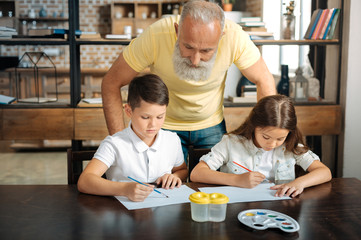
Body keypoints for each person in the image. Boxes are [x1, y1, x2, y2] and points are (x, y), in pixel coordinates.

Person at [102, 0, 276, 163]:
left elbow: (264, 79)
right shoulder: (156, 35)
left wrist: (267, 135)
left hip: (211, 125)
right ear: (177, 31)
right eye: (188, 47)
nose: (195, 60)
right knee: (162, 189)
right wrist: (120, 143)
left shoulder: (235, 37)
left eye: (206, 51)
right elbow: (111, 82)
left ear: (221, 37)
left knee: (213, 188)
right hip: (162, 127)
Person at [190, 95, 332, 198]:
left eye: (280, 138)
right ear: (253, 126)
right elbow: (196, 173)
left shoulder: (291, 146)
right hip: (237, 206)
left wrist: (299, 183)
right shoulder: (231, 143)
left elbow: (324, 172)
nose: (272, 144)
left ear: (289, 133)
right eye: (266, 137)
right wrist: (237, 180)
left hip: (280, 209)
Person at [78, 74, 188, 202]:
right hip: (122, 212)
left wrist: (175, 176)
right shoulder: (115, 143)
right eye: (145, 117)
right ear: (129, 111)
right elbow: (85, 181)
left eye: (160, 117)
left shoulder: (172, 140)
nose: (153, 124)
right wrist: (124, 189)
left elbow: (182, 170)